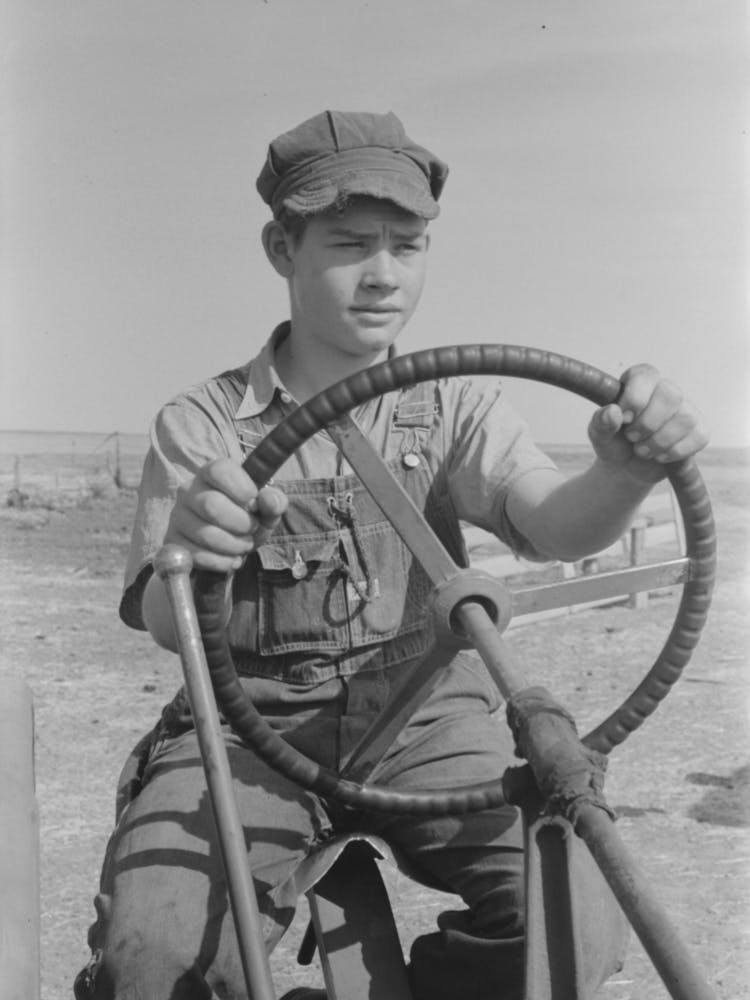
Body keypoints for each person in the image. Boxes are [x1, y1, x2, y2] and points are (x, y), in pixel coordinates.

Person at [75, 110, 708, 1000]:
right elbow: (161, 618)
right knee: (156, 959)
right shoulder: (202, 425)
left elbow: (558, 525)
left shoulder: (453, 407)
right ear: (280, 248)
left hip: (428, 725)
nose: (383, 276)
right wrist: (193, 553)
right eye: (349, 243)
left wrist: (624, 470)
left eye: (407, 247)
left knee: (572, 923)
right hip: (249, 729)